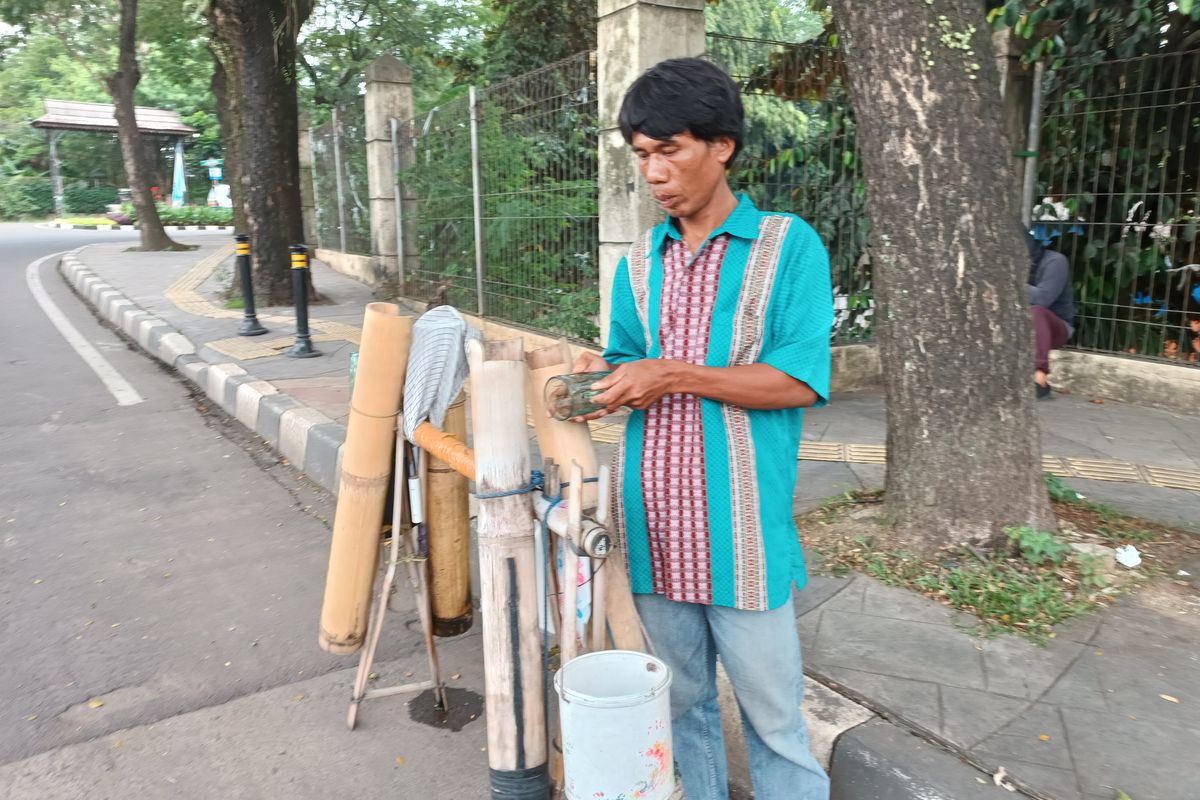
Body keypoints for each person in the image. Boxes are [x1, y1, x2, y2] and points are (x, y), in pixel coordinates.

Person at [572, 57, 832, 800]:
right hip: (649, 528)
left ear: (721, 146)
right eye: (643, 155)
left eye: (670, 149)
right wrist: (599, 381)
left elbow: (797, 381)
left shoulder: (788, 247)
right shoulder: (638, 263)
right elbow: (628, 362)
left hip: (741, 534)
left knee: (776, 722)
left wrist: (673, 372)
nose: (654, 172)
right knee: (678, 708)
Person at [1027, 234, 1075, 398]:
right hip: (1022, 327)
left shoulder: (1055, 261)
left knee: (1037, 311)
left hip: (1056, 328)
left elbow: (1043, 299)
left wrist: (1010, 282)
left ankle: (1040, 379)